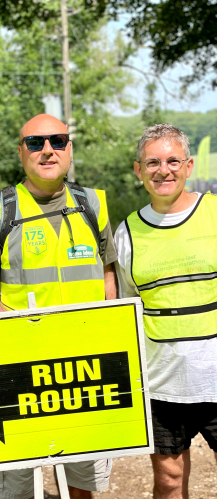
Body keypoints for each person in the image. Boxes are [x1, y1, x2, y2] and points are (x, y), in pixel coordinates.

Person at [0, 113, 118, 499]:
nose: (47, 150)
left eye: (58, 141)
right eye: (35, 143)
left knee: (83, 482)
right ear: (21, 152)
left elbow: (108, 277)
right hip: (20, 371)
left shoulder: (93, 204)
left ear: (69, 148)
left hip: (85, 371)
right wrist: (19, 332)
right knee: (15, 489)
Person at [114, 123, 217, 499]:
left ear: (189, 166)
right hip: (162, 383)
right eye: (153, 162)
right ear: (139, 171)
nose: (164, 170)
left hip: (216, 377)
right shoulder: (126, 233)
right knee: (169, 481)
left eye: (173, 161)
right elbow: (126, 307)